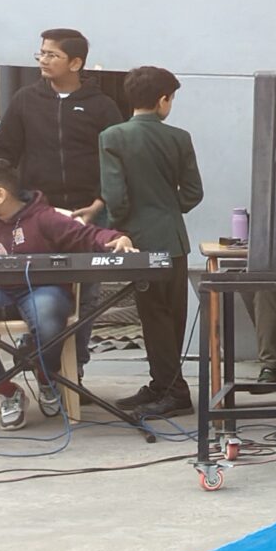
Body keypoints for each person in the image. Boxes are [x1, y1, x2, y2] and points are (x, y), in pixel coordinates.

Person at [0, 157, 136, 429]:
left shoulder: (45, 218)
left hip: (43, 290)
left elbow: (87, 235)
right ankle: (7, 390)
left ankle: (46, 377)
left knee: (46, 312)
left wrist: (115, 238)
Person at [96, 66, 203, 417]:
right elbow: (193, 193)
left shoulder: (113, 136)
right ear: (163, 100)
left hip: (138, 240)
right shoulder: (180, 137)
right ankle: (166, 386)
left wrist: (118, 228)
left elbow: (115, 196)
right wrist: (169, 207)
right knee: (171, 317)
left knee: (152, 317)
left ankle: (170, 389)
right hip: (173, 238)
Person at [0, 29, 116, 224]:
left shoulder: (101, 105)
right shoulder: (25, 99)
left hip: (90, 210)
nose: (43, 60)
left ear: (75, 63)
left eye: (52, 55)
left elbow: (116, 161)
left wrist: (100, 202)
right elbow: (3, 153)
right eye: (42, 53)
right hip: (34, 209)